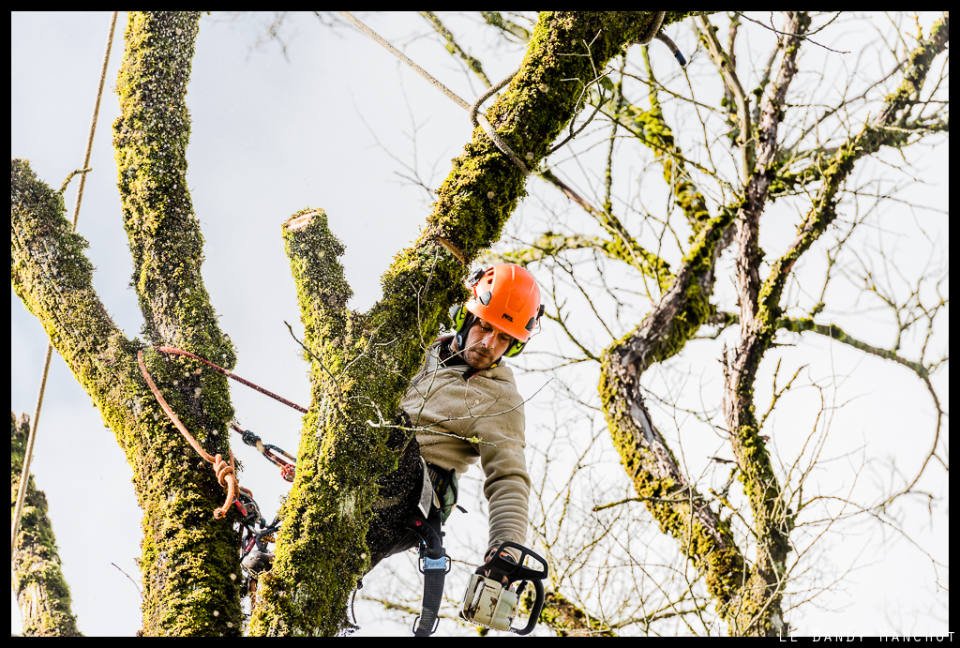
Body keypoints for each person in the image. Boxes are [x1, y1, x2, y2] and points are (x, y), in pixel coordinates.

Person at [366, 263, 544, 572]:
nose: (489, 345)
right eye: (485, 327)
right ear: (465, 317)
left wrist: (505, 550)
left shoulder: (499, 398)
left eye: (504, 338)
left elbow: (508, 477)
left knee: (395, 431)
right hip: (364, 473)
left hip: (409, 501)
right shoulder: (417, 349)